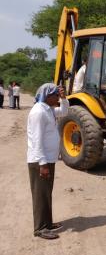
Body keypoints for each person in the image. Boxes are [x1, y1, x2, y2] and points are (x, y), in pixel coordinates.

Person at [27, 83, 69, 240]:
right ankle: (40, 228)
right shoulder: (38, 112)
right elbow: (36, 141)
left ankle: (48, 223)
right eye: (56, 95)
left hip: (47, 159)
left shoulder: (48, 109)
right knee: (40, 194)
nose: (58, 98)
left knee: (46, 193)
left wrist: (64, 98)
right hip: (40, 160)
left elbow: (64, 111)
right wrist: (42, 164)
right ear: (48, 96)